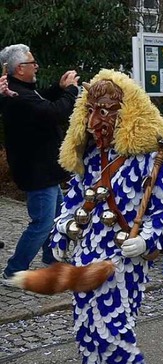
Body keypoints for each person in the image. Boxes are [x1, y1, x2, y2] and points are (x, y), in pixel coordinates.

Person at [49, 70, 163, 364]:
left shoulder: (153, 160)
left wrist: (147, 241)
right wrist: (63, 231)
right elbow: (73, 202)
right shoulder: (90, 158)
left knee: (113, 318)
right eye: (91, 111)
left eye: (105, 111)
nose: (96, 121)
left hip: (124, 255)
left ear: (125, 115)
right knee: (84, 322)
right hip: (86, 253)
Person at [0, 44, 78, 280]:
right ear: (19, 69)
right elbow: (54, 111)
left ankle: (51, 257)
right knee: (42, 223)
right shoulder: (17, 96)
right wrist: (72, 91)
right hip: (37, 171)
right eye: (32, 63)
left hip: (45, 169)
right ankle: (13, 271)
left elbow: (43, 98)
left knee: (56, 216)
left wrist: (60, 87)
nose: (36, 66)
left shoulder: (22, 89)